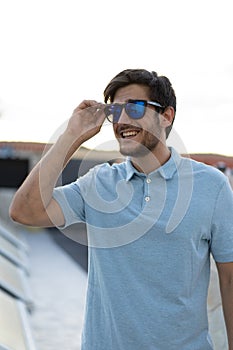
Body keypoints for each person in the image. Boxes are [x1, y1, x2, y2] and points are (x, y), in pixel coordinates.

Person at [10, 69, 233, 350]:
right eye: (115, 111)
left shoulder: (211, 187)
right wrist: (71, 136)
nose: (122, 120)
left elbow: (229, 280)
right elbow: (24, 211)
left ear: (166, 116)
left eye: (135, 108)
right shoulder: (98, 184)